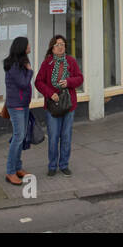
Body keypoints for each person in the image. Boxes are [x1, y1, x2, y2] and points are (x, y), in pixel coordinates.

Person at [34, 34, 83, 177]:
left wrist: (69, 82)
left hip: (68, 105)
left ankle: (64, 165)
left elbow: (80, 78)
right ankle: (52, 165)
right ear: (52, 48)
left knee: (66, 136)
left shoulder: (71, 61)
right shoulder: (47, 63)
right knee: (54, 136)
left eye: (62, 44)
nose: (60, 47)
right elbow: (38, 82)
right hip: (53, 106)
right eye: (57, 45)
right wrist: (50, 93)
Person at [3, 36, 31, 186]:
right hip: (16, 106)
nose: (30, 46)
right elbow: (23, 83)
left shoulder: (21, 63)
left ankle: (18, 167)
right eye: (28, 45)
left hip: (24, 104)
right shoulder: (14, 65)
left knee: (21, 136)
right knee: (18, 137)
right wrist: (30, 71)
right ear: (22, 47)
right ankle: (10, 172)